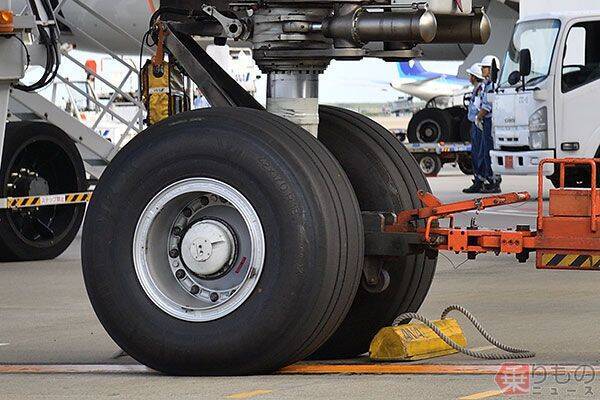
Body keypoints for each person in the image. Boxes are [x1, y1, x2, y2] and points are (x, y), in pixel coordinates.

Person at [476, 55, 502, 193]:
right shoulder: (487, 84)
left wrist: (478, 117)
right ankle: (489, 179)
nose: (482, 70)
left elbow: (487, 106)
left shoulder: (492, 86)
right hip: (487, 121)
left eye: (484, 68)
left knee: (489, 152)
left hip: (490, 121)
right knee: (485, 152)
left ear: (491, 69)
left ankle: (494, 181)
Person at [463, 63, 486, 193]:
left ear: (474, 77)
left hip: (479, 124)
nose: (469, 78)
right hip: (476, 123)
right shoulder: (478, 89)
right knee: (477, 153)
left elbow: (480, 107)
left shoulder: (480, 90)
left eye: (471, 75)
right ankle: (479, 179)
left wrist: (478, 118)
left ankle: (480, 180)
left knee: (479, 153)